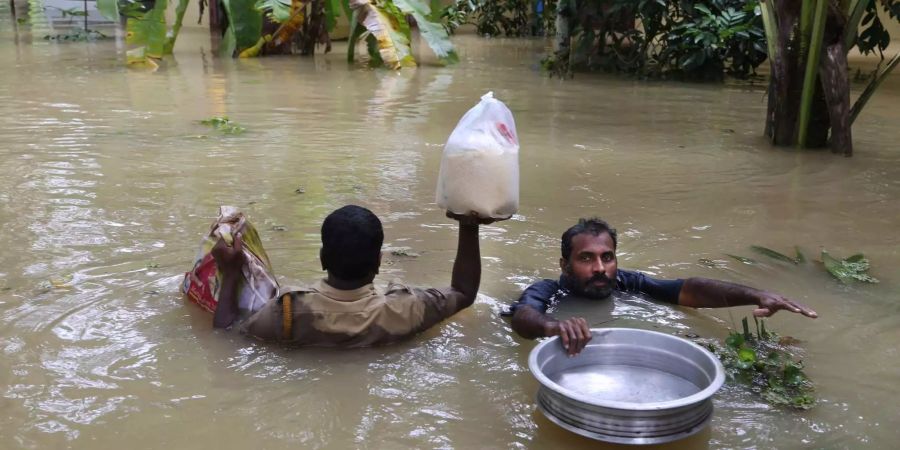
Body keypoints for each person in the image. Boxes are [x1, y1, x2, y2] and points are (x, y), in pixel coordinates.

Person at [508, 218, 818, 356]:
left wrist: (756, 294)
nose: (600, 268)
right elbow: (523, 318)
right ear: (565, 265)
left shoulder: (626, 282)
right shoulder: (548, 291)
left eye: (607, 257)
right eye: (586, 258)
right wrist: (553, 326)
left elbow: (689, 290)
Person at [211, 205, 500, 347]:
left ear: (322, 259)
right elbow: (464, 292)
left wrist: (232, 273)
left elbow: (225, 337)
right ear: (378, 262)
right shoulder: (407, 309)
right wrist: (469, 224)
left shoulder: (286, 312)